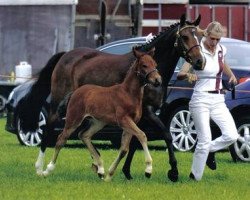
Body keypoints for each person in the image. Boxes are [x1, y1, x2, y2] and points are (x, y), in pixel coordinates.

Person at [177, 21, 239, 181]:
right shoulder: (198, 50)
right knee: (204, 140)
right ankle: (194, 177)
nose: (215, 42)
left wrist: (230, 74)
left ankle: (209, 150)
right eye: (212, 39)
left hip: (219, 99)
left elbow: (222, 62)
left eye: (218, 39)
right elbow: (180, 74)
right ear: (206, 35)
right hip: (200, 100)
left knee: (232, 135)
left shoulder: (220, 49)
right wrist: (189, 75)